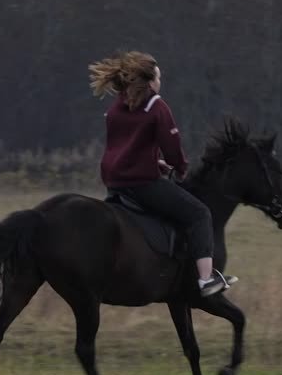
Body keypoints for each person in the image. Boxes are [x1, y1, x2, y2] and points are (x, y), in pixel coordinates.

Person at [90, 51, 234, 297]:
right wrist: (179, 167)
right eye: (157, 77)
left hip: (115, 183)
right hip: (142, 184)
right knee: (199, 214)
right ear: (148, 81)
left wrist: (155, 162)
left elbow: (125, 147)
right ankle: (206, 279)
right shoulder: (157, 106)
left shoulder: (117, 107)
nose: (160, 82)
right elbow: (172, 147)